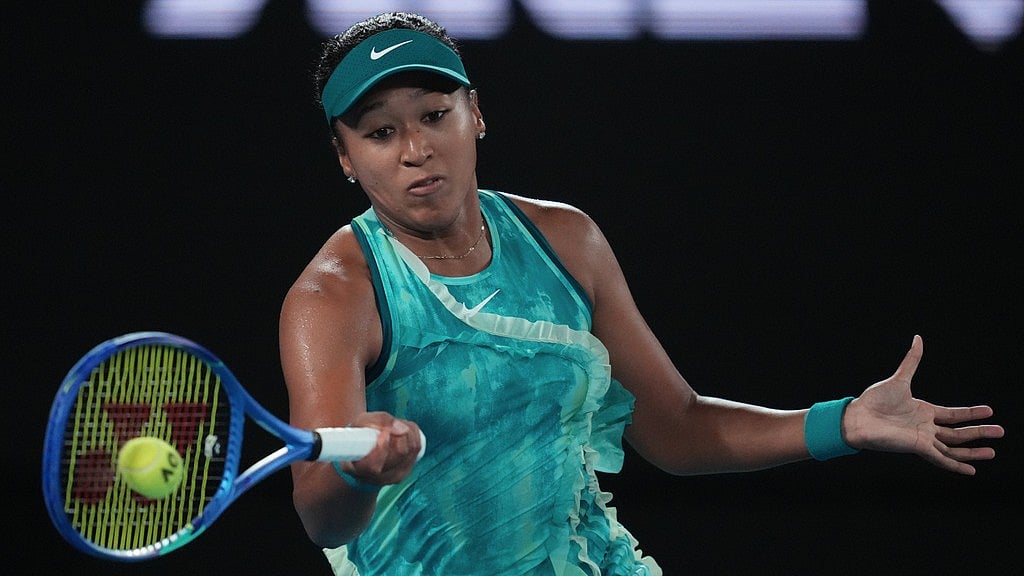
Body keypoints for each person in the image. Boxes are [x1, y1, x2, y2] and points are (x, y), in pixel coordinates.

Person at [279, 12, 1004, 576]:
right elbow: (321, 516)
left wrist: (844, 422)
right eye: (379, 133)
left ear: (476, 113)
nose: (415, 149)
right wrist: (356, 468)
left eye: (435, 114)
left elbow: (677, 429)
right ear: (345, 157)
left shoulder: (565, 241)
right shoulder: (334, 297)